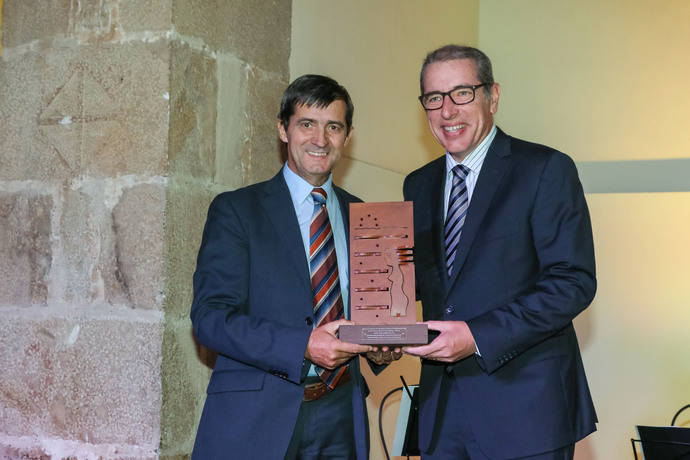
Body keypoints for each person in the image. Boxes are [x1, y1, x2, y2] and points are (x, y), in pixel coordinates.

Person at [402, 45, 597, 459]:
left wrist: (477, 337)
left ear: (492, 96)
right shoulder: (417, 185)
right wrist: (380, 328)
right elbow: (424, 283)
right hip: (441, 415)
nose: (447, 110)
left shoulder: (545, 169)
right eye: (434, 98)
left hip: (526, 411)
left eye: (462, 93)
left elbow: (572, 282)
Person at [191, 74, 386, 459]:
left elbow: (371, 312)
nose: (320, 139)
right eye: (307, 124)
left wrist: (381, 346)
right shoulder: (237, 211)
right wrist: (303, 345)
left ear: (347, 136)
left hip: (342, 416)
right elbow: (210, 319)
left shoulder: (367, 217)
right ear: (283, 129)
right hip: (256, 419)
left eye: (334, 126)